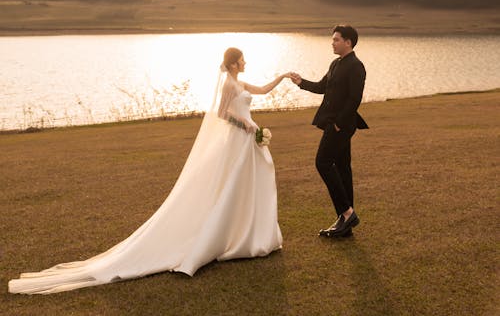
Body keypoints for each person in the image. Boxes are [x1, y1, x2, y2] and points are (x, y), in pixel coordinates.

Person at [8, 48, 291, 294]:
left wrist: (283, 77)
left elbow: (263, 90)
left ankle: (250, 234)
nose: (245, 63)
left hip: (246, 142)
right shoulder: (228, 85)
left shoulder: (240, 82)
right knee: (230, 187)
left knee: (248, 186)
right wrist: (246, 124)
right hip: (238, 139)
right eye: (242, 61)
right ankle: (228, 236)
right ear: (232, 64)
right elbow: (221, 113)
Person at [290, 24, 368, 238]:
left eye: (336, 39)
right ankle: (346, 224)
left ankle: (347, 212)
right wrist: (301, 82)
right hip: (335, 123)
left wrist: (339, 123)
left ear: (348, 42)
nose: (332, 43)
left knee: (322, 162)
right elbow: (322, 87)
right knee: (343, 168)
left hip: (341, 125)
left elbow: (355, 99)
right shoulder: (336, 63)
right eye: (332, 39)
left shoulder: (356, 66)